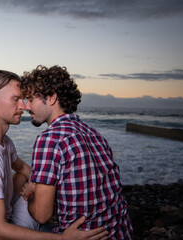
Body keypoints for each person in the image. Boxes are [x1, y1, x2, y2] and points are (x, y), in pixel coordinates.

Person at [0, 70, 108, 240]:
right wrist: (62, 238)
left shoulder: (4, 142)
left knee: (21, 178)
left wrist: (35, 186)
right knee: (43, 207)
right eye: (16, 99)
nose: (24, 106)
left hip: (0, 221)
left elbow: (24, 169)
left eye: (25, 99)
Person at [20, 65, 133, 239]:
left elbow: (42, 214)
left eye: (30, 99)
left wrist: (30, 195)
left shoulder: (49, 139)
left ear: (51, 98)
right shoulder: (93, 133)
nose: (26, 107)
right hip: (121, 232)